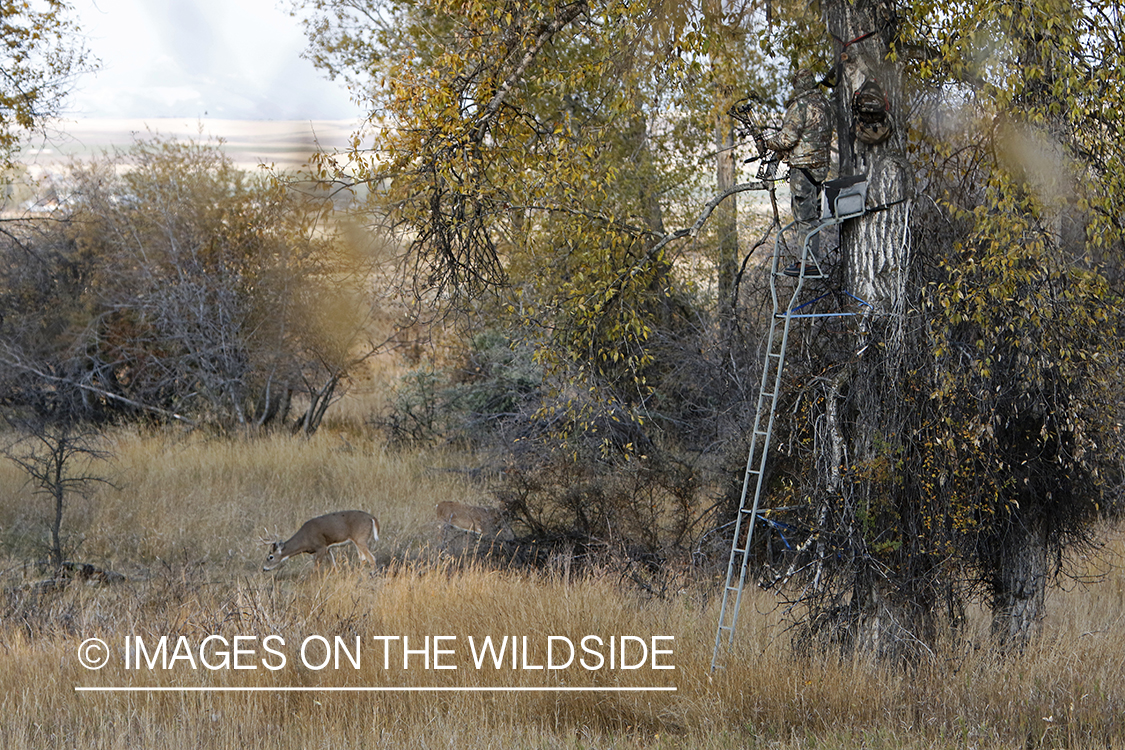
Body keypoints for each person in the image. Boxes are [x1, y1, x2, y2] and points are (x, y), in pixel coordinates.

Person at [763, 68, 833, 278]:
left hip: (803, 169)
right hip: (820, 168)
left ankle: (808, 262)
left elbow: (787, 139)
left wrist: (767, 142)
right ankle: (809, 258)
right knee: (812, 215)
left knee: (804, 215)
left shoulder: (800, 106)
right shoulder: (824, 104)